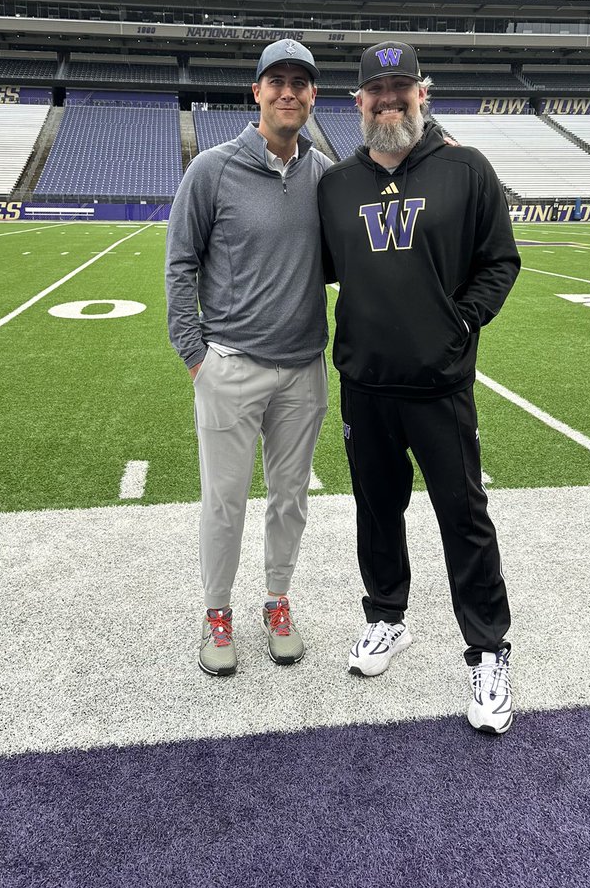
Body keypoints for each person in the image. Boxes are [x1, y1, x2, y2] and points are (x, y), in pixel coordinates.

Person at [317, 41, 521, 734]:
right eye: (378, 91)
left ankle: (489, 650)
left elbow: (500, 261)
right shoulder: (336, 184)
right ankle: (385, 618)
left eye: (402, 88)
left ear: (422, 94)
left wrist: (460, 322)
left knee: (463, 518)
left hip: (438, 385)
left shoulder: (466, 168)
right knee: (376, 512)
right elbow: (312, 268)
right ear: (359, 103)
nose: (390, 100)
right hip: (365, 384)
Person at [166, 40, 331, 676]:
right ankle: (216, 611)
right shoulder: (211, 169)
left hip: (303, 368)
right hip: (229, 365)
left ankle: (277, 599)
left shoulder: (325, 176)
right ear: (256, 92)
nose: (288, 91)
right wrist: (194, 354)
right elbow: (181, 260)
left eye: (301, 82)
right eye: (276, 81)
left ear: (313, 96)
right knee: (224, 500)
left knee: (289, 497)